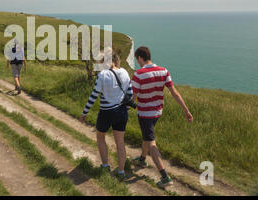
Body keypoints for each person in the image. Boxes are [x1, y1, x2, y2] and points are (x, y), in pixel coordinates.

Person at [131, 46, 193, 188]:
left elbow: (132, 97)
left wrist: (124, 107)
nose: (138, 62)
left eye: (137, 59)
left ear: (140, 57)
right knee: (147, 136)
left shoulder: (139, 74)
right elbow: (174, 93)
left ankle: (165, 176)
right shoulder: (164, 71)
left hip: (145, 113)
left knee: (151, 141)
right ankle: (141, 159)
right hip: (157, 112)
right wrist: (186, 110)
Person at [79, 51, 133, 180]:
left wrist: (85, 112)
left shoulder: (103, 75)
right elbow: (130, 93)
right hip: (121, 111)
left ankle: (105, 165)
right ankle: (121, 172)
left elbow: (94, 95)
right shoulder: (125, 72)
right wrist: (126, 108)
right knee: (120, 143)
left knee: (100, 136)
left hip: (106, 112)